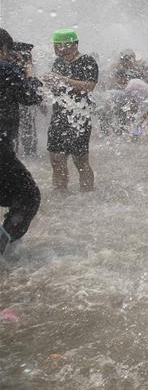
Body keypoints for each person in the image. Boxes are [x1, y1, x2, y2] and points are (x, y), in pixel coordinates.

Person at [0, 28, 43, 253]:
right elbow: (32, 96)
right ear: (4, 49)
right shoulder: (6, 68)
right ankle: (4, 250)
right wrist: (29, 72)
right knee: (28, 197)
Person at [43, 29, 98, 192]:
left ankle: (87, 194)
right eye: (55, 45)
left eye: (59, 45)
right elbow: (57, 89)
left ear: (73, 44)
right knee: (56, 158)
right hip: (59, 115)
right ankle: (60, 193)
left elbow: (90, 86)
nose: (56, 48)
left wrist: (63, 80)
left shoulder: (87, 61)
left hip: (79, 117)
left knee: (80, 160)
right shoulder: (58, 63)